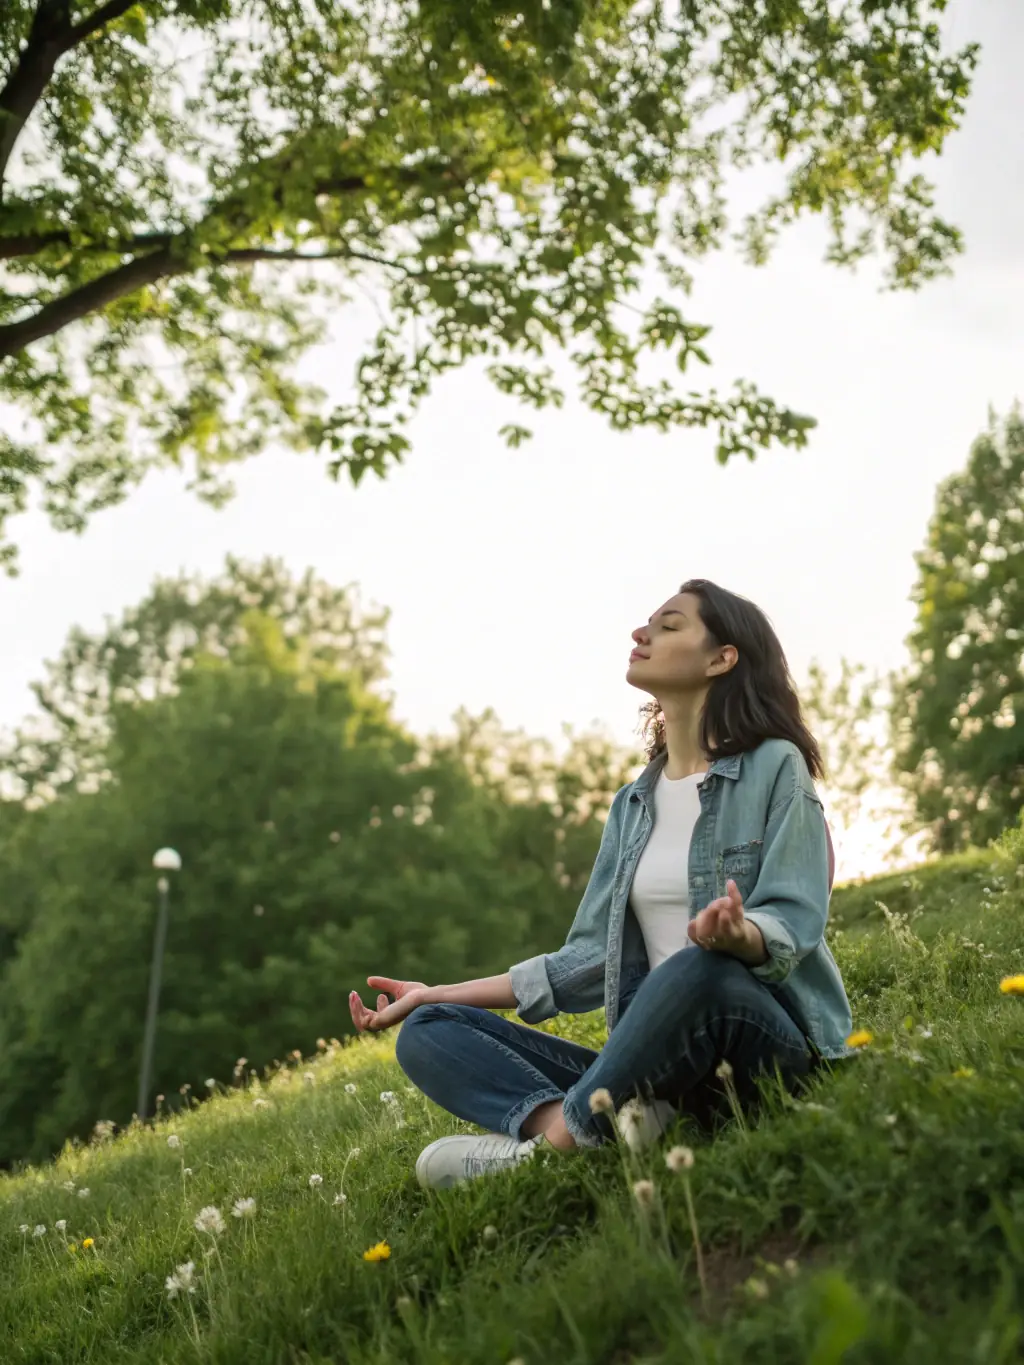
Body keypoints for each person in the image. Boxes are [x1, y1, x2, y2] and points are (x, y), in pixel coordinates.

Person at [348, 579, 852, 1189]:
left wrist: (743, 936)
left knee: (698, 967)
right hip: (660, 1063)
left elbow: (796, 916)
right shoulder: (634, 803)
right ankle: (626, 1118)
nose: (642, 635)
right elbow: (587, 959)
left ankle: (559, 1145)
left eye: (669, 626)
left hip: (760, 1047)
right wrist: (436, 994)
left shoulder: (775, 765)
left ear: (723, 658)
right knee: (430, 1031)